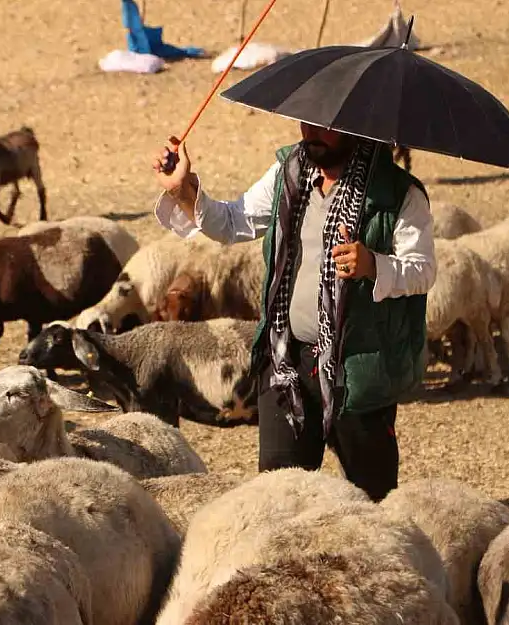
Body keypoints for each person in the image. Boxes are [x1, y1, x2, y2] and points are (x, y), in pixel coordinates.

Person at [150, 123, 435, 502]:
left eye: (326, 125)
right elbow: (233, 222)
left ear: (355, 125)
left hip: (359, 370)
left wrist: (374, 265)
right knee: (278, 497)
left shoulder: (398, 193)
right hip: (286, 365)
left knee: (373, 500)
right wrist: (182, 189)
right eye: (307, 121)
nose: (312, 132)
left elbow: (423, 269)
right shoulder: (290, 172)